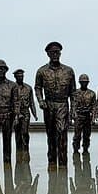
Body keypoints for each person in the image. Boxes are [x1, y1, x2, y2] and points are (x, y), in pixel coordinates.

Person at [34, 41, 76, 170]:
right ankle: (52, 162)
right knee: (51, 135)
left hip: (63, 104)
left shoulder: (69, 71)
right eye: (52, 52)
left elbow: (73, 93)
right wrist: (41, 101)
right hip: (48, 105)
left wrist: (73, 109)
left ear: (60, 53)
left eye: (57, 52)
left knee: (62, 132)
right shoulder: (41, 71)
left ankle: (63, 164)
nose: (55, 54)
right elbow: (38, 87)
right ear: (48, 54)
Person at [11, 68, 38, 160]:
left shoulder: (28, 88)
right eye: (18, 76)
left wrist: (35, 114)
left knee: (25, 132)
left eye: (22, 76)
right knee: (17, 133)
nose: (20, 78)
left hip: (26, 112)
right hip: (15, 113)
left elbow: (31, 102)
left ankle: (26, 149)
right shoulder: (12, 87)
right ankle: (19, 150)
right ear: (15, 77)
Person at [71, 74, 98, 153]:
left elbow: (94, 107)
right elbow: (73, 105)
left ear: (88, 83)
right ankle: (76, 149)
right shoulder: (75, 93)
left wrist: (93, 118)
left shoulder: (92, 93)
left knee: (87, 135)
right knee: (77, 135)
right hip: (78, 116)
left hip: (87, 117)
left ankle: (85, 149)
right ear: (79, 82)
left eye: (85, 82)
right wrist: (72, 115)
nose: (84, 83)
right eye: (82, 82)